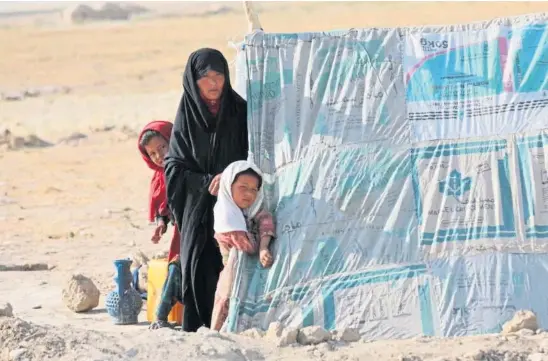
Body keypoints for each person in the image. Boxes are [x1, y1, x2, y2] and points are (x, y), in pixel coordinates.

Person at [164, 48, 248, 332]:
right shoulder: (186, 116)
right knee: (198, 267)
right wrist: (205, 182)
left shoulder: (240, 112)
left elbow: (254, 157)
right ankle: (198, 330)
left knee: (233, 268)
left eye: (219, 75)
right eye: (206, 77)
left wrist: (229, 177)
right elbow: (173, 166)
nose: (214, 83)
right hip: (197, 211)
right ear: (192, 80)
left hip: (235, 208)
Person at [210, 160, 275, 331]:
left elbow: (266, 218)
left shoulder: (248, 211)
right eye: (243, 187)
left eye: (254, 190)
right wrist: (259, 244)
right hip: (232, 274)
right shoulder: (227, 217)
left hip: (244, 273)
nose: (249, 194)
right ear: (228, 186)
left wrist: (264, 247)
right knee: (225, 302)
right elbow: (248, 246)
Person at [137, 120, 183, 329]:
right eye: (153, 154)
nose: (159, 156)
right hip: (182, 233)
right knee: (176, 267)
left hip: (204, 226)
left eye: (162, 148)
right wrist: (161, 223)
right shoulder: (159, 178)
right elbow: (164, 208)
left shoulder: (187, 164)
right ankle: (161, 315)